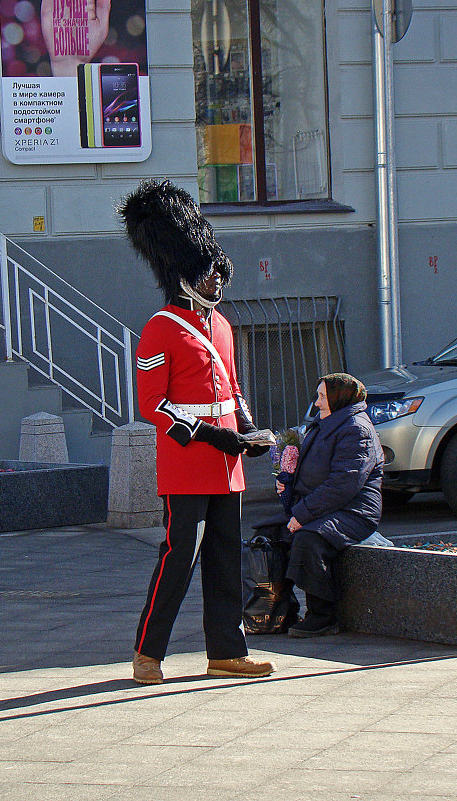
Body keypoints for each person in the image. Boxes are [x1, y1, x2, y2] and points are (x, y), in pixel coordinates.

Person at [117, 179, 276, 684]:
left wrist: (248, 431)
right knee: (178, 560)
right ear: (185, 274)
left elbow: (232, 390)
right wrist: (215, 437)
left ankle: (226, 650)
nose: (218, 283)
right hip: (187, 464)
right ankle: (149, 652)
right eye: (210, 276)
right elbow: (154, 406)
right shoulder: (160, 327)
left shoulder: (223, 326)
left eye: (220, 275)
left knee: (226, 559)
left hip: (227, 466)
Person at [278, 373, 384, 637]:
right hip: (323, 506)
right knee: (269, 537)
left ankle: (323, 616)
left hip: (354, 511)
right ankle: (277, 610)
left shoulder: (356, 429)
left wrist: (301, 515)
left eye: (322, 397)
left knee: (308, 539)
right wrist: (287, 485)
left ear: (339, 398)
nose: (317, 403)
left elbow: (344, 484)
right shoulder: (325, 423)